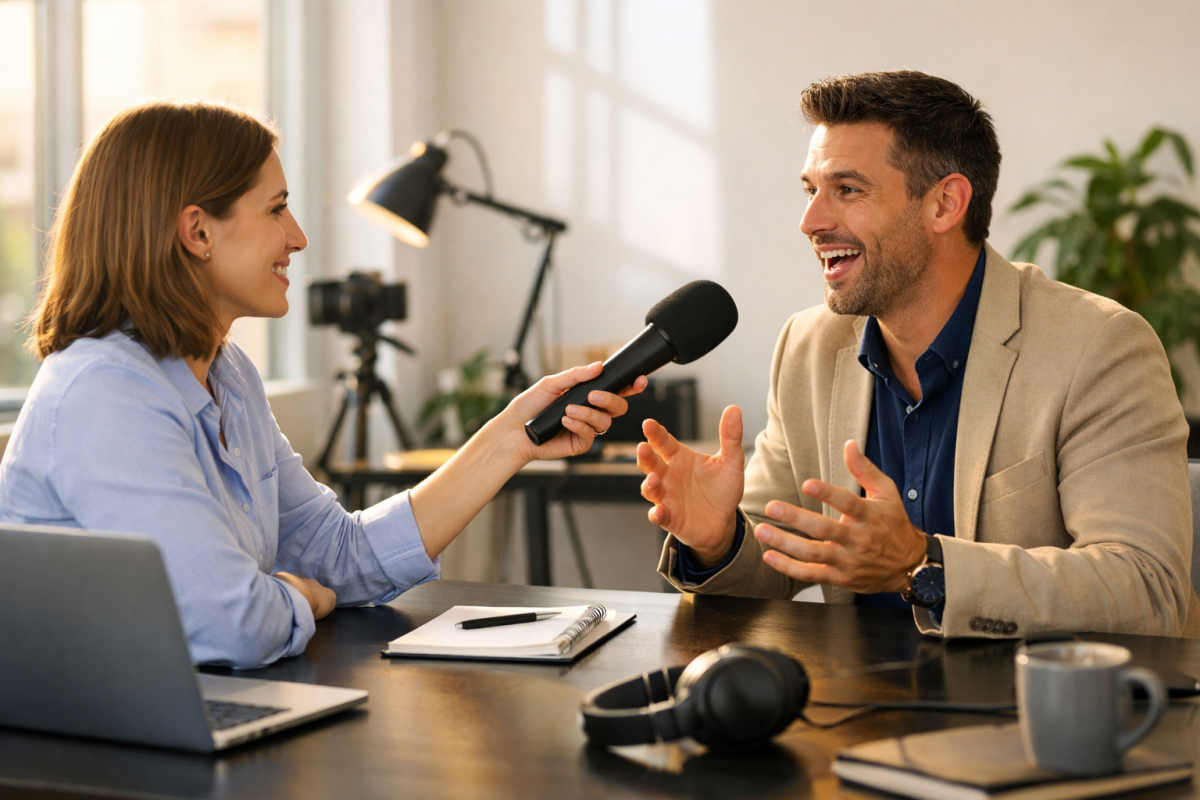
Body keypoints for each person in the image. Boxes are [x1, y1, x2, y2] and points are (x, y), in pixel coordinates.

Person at [0, 99, 646, 669]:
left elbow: (338, 553)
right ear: (197, 231)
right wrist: (302, 596)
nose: (298, 238)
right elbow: (235, 626)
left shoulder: (225, 373)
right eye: (277, 209)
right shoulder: (105, 392)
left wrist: (509, 439)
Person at [638, 70, 1199, 639]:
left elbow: (1149, 587)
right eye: (812, 190)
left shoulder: (1098, 345)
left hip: (1028, 709)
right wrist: (718, 542)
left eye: (848, 190)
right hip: (854, 713)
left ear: (945, 204)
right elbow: (775, 558)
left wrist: (922, 566)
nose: (811, 222)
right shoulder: (808, 347)